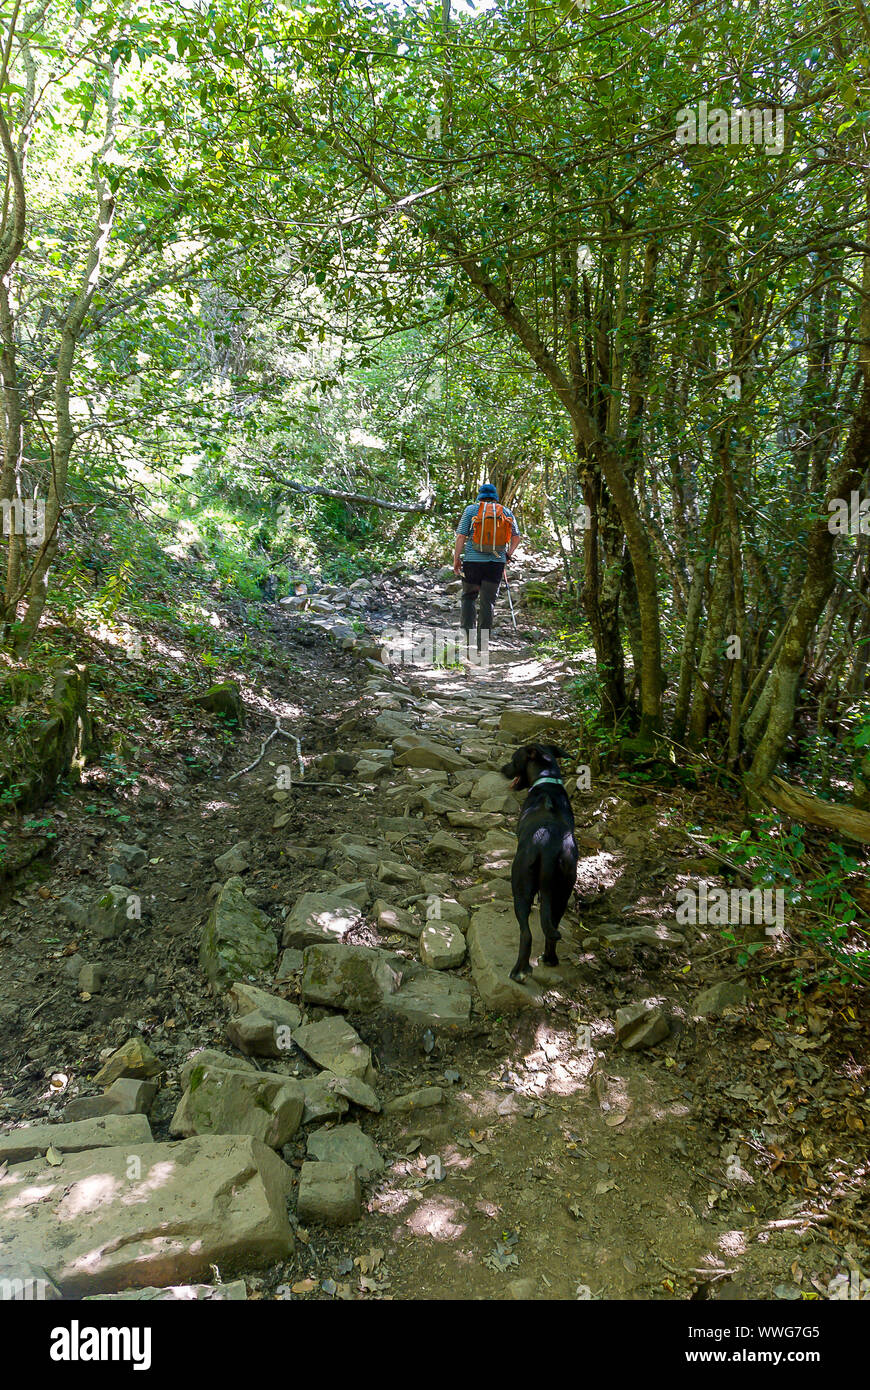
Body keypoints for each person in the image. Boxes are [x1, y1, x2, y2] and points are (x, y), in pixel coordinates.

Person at [452, 483, 521, 643]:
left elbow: (461, 536)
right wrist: (508, 554)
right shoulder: (505, 511)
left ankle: (467, 638)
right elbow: (516, 537)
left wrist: (456, 558)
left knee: (469, 597)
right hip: (495, 563)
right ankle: (482, 643)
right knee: (487, 601)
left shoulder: (471, 510)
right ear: (495, 497)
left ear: (480, 496)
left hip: (472, 562)